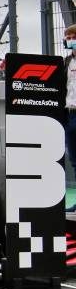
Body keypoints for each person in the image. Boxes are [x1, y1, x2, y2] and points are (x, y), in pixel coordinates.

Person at [64, 25, 76, 210]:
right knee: (74, 160)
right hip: (69, 114)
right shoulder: (66, 62)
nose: (69, 39)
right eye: (67, 36)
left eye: (73, 36)